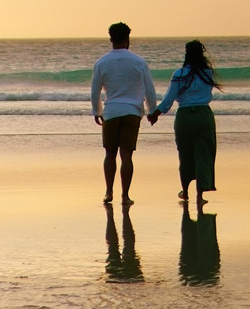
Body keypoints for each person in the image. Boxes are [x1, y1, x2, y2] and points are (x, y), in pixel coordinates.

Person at [89, 22, 158, 206]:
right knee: (126, 155)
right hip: (132, 112)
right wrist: (152, 110)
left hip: (111, 111)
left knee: (109, 153)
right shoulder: (138, 62)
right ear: (128, 39)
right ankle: (125, 195)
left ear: (111, 39)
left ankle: (109, 191)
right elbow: (149, 89)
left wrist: (97, 110)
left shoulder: (101, 62)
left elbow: (95, 90)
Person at [156, 38, 221, 211]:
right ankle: (200, 195)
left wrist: (156, 113)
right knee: (204, 154)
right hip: (205, 116)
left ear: (186, 54)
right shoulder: (208, 73)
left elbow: (169, 99)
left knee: (185, 154)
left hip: (185, 116)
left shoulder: (179, 74)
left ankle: (185, 191)